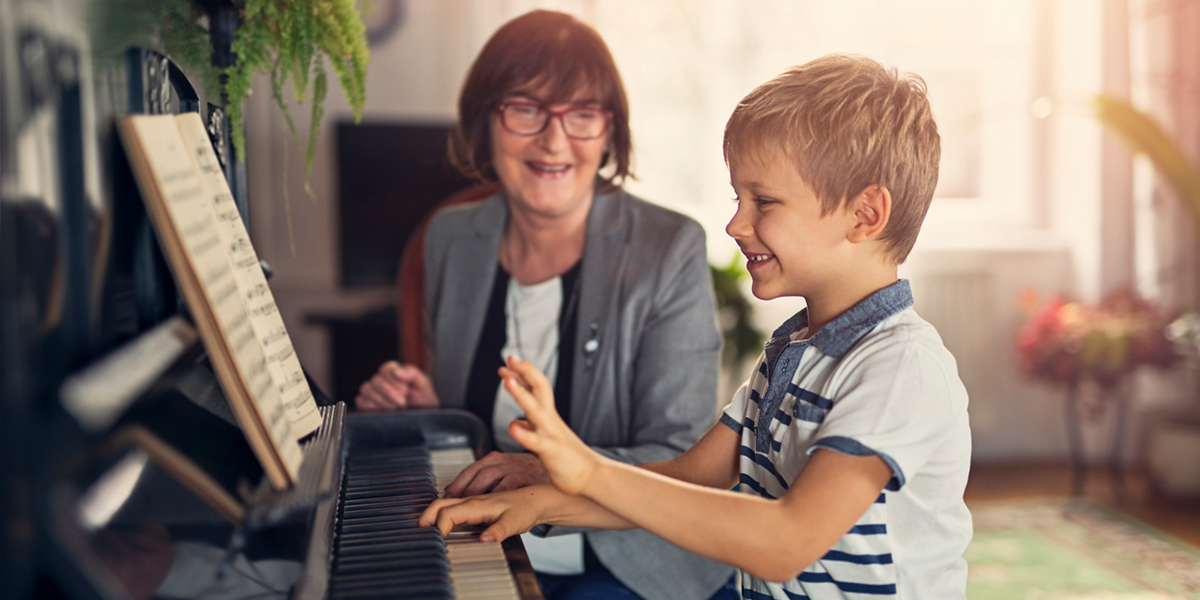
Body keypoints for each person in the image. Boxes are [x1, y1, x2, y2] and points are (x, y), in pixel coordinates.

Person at [419, 54, 973, 600]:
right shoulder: (792, 349)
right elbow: (687, 476)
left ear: (865, 214)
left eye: (764, 201)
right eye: (739, 197)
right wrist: (545, 500)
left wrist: (585, 469)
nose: (736, 222)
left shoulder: (898, 367)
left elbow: (786, 542)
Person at [353, 10, 736, 600]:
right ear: (486, 121)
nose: (554, 140)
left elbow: (680, 457)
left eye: (582, 114)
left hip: (623, 559)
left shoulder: (670, 248)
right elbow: (477, 431)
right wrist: (431, 410)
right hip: (483, 540)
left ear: (609, 131)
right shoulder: (451, 238)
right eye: (526, 109)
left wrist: (550, 469)